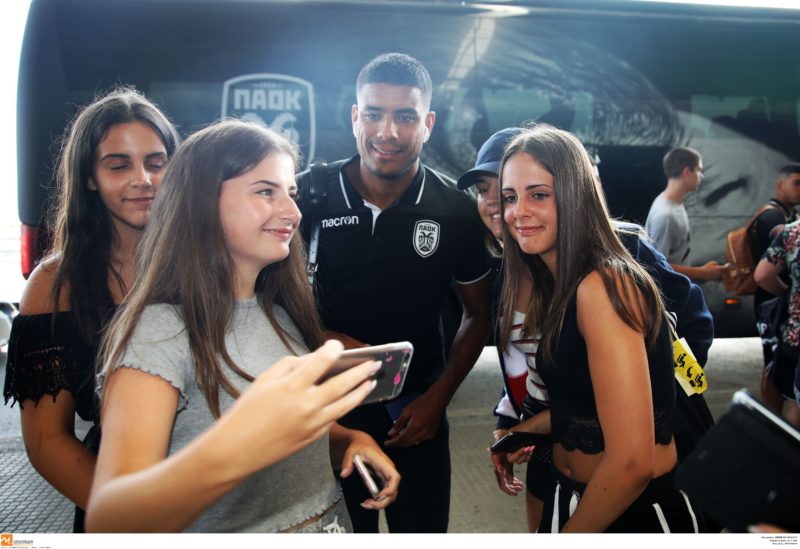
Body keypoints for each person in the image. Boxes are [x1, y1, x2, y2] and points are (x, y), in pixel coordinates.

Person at [85, 120, 399, 532]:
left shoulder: (280, 316)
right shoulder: (159, 334)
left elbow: (286, 432)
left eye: (291, 193)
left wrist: (344, 440)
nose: (293, 212)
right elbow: (110, 521)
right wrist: (240, 446)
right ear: (201, 202)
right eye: (266, 192)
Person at [457, 127, 713, 532]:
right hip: (570, 493)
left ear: (576, 194)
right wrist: (520, 430)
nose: (516, 211)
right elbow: (584, 401)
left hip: (628, 513)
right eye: (509, 197)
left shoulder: (604, 284)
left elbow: (632, 464)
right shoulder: (551, 277)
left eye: (538, 195)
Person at [297, 52, 492, 533]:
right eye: (374, 114)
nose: (388, 132)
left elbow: (478, 315)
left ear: (427, 124)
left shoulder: (455, 212)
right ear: (355, 117)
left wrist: (438, 399)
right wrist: (323, 338)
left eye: (405, 116)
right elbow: (262, 305)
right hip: (328, 415)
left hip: (415, 415)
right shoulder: (307, 198)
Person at [2, 87, 180, 532]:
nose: (143, 178)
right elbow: (47, 441)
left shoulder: (210, 265)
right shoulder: (54, 284)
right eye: (118, 165)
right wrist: (137, 518)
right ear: (89, 178)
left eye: (156, 162)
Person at [749, 163, 800, 411]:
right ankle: (773, 419)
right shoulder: (773, 218)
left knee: (789, 391)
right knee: (773, 371)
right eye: (796, 183)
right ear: (780, 184)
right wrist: (786, 292)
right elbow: (763, 275)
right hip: (773, 303)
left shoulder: (789, 222)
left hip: (786, 316)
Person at [645, 146, 728, 282]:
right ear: (687, 172)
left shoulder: (672, 203)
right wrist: (703, 272)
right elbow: (658, 266)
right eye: (699, 170)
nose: (701, 176)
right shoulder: (665, 216)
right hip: (669, 292)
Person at [754, 219, 800, 428]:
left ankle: (788, 446)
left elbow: (762, 275)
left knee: (793, 400)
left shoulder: (793, 231)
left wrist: (788, 294)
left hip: (795, 335)